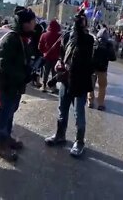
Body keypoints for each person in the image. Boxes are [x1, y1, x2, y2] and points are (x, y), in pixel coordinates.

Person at [45, 10, 94, 157]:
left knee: (78, 114)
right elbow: (61, 53)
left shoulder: (88, 39)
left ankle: (79, 142)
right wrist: (59, 63)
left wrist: (80, 30)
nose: (78, 23)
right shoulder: (67, 36)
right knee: (62, 109)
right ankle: (60, 135)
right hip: (65, 80)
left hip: (79, 82)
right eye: (77, 20)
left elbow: (84, 61)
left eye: (82, 20)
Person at [0, 6, 35, 161]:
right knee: (5, 114)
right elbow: (4, 63)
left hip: (16, 84)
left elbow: (22, 60)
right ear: (25, 23)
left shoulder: (21, 37)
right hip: (9, 84)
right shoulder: (11, 38)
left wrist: (29, 71)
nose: (34, 24)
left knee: (11, 112)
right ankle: (2, 145)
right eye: (32, 22)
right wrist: (21, 75)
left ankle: (8, 138)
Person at [89, 28, 116, 110]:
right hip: (103, 69)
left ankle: (90, 102)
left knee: (91, 86)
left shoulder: (93, 42)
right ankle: (100, 104)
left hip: (92, 68)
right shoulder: (108, 44)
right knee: (102, 86)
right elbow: (113, 58)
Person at [38, 19, 61, 92]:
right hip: (56, 57)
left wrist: (44, 52)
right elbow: (62, 47)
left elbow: (40, 46)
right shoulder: (60, 36)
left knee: (46, 72)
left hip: (46, 56)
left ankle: (44, 85)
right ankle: (53, 87)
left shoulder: (44, 35)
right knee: (54, 72)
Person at [29, 20, 45, 88]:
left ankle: (31, 81)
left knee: (31, 67)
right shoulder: (41, 35)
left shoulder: (31, 35)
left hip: (32, 53)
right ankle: (37, 82)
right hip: (39, 53)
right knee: (38, 68)